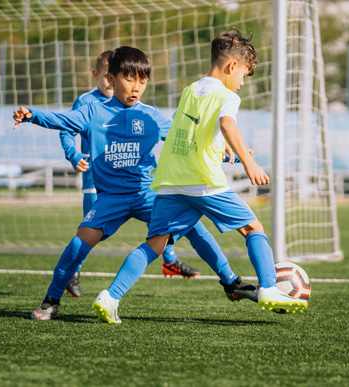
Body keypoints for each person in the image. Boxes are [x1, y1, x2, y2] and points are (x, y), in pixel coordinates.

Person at [13, 46, 258, 321]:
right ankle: (50, 301)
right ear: (111, 77)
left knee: (194, 227)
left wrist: (232, 152)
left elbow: (189, 139)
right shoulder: (93, 112)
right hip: (111, 198)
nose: (136, 87)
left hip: (148, 193)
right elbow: (63, 121)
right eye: (129, 79)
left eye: (142, 81)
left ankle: (230, 282)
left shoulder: (150, 115)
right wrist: (32, 115)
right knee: (77, 246)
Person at [93, 30, 308, 324]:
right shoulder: (227, 95)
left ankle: (110, 296)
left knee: (155, 244)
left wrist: (223, 150)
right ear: (232, 67)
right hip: (204, 181)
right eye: (244, 75)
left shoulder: (191, 89)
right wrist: (248, 161)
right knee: (253, 229)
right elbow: (227, 124)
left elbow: (195, 133)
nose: (243, 82)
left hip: (171, 180)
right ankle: (269, 288)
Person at [60, 51, 201, 299]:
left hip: (135, 183)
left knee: (163, 217)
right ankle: (73, 272)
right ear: (101, 76)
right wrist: (73, 155)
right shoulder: (87, 103)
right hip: (96, 181)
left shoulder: (139, 109)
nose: (109, 83)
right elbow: (65, 129)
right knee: (87, 236)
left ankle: (170, 258)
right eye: (107, 77)